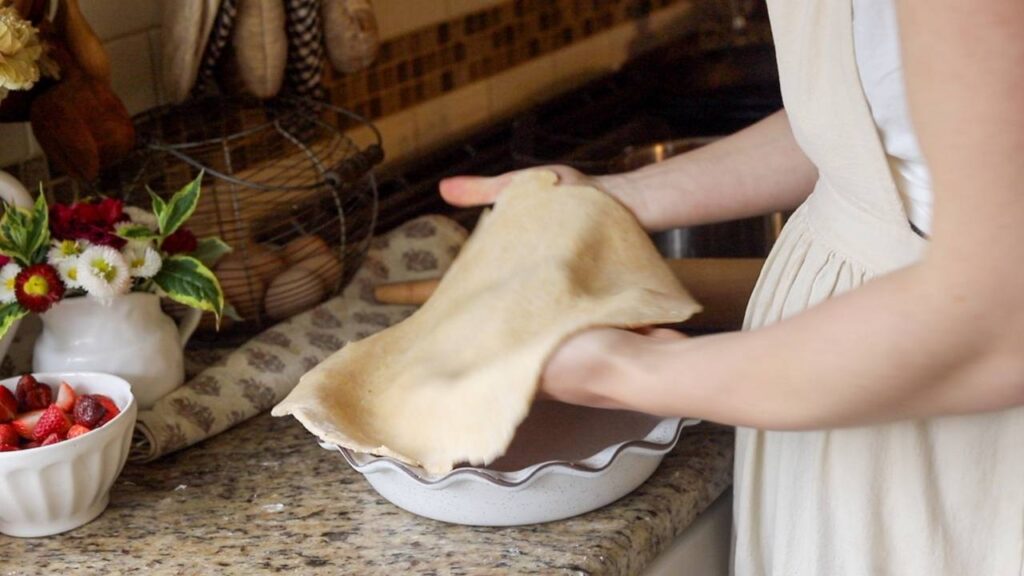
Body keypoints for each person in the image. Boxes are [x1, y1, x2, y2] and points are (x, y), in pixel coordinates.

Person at [440, 0, 1024, 574]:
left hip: (946, 413)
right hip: (841, 388)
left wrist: (624, 370)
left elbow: (1000, 327)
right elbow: (866, 116)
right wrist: (616, 199)